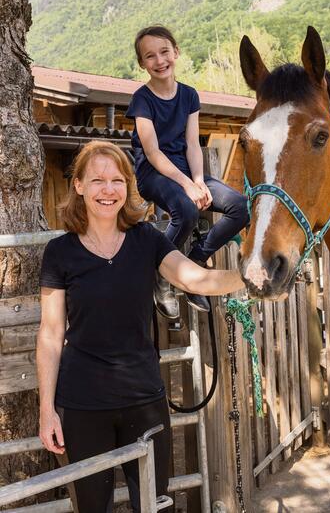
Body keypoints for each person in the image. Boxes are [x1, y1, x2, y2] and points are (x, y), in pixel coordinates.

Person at [37, 140, 244, 513]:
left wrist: (249, 277)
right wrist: (46, 410)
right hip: (83, 405)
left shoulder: (146, 240)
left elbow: (195, 279)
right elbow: (51, 335)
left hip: (144, 401)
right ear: (79, 185)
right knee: (92, 507)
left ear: (127, 188)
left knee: (152, 505)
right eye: (97, 180)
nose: (108, 190)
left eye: (117, 180)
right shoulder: (60, 253)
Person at [126, 25, 249, 319]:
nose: (159, 60)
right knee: (187, 211)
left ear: (176, 52)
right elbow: (153, 153)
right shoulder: (142, 99)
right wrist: (187, 185)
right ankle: (163, 276)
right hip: (154, 175)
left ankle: (195, 261)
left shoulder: (189, 96)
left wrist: (198, 180)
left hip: (186, 172)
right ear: (143, 63)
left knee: (241, 206)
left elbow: (193, 144)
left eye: (164, 52)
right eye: (150, 56)